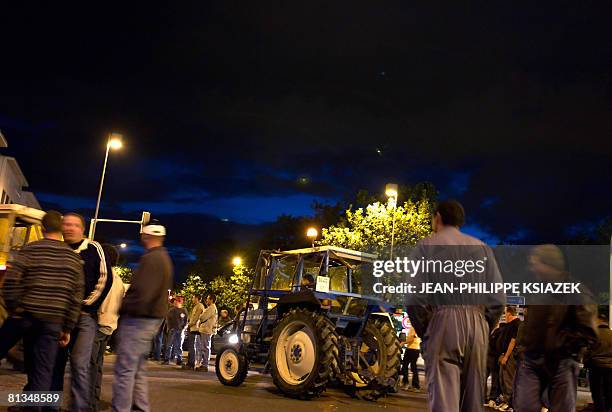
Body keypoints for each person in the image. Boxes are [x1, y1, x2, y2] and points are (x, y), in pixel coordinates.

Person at [406, 200, 505, 412]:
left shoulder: (427, 246)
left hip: (444, 320)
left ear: (438, 217)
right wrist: (484, 325)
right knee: (472, 399)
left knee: (444, 396)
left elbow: (415, 298)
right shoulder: (483, 248)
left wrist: (428, 330)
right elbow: (498, 299)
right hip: (478, 324)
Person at [0, 211, 84, 398]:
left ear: (42, 228)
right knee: (42, 371)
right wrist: (67, 328)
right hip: (53, 322)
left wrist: (15, 308)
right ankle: (34, 408)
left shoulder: (31, 249)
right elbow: (76, 297)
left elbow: (12, 281)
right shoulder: (73, 258)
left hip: (25, 315)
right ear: (61, 229)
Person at [513, 245, 598, 412]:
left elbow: (588, 331)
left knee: (562, 408)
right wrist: (523, 348)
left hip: (562, 360)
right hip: (532, 359)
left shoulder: (577, 291)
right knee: (524, 406)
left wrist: (566, 349)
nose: (531, 268)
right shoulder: (538, 291)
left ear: (548, 264)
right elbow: (529, 324)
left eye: (534, 263)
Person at [52, 212, 113, 412]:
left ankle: (78, 408)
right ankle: (49, 406)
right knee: (55, 365)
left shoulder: (94, 249)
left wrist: (85, 305)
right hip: (59, 318)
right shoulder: (58, 249)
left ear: (83, 229)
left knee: (79, 364)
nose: (69, 228)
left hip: (85, 318)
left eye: (74, 225)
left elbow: (105, 280)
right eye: (66, 224)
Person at [112, 223, 173, 412]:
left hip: (138, 321)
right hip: (149, 321)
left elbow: (143, 295)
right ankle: (140, 407)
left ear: (145, 236)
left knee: (125, 370)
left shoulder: (152, 259)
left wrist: (123, 307)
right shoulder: (164, 258)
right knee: (137, 369)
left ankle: (121, 409)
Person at [89, 244, 125, 412]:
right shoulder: (118, 280)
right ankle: (93, 402)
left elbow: (99, 301)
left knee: (89, 366)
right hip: (110, 326)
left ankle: (87, 404)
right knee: (97, 366)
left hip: (99, 324)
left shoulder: (105, 277)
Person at [583, 312, 612, 412]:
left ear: (599, 321)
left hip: (595, 367)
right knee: (609, 391)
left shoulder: (594, 335)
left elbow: (587, 351)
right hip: (610, 368)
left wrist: (586, 363)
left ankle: (600, 410)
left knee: (597, 392)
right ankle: (609, 408)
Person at [496, 306, 521, 411]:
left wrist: (506, 356)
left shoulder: (516, 324)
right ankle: (506, 401)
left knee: (508, 379)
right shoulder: (509, 324)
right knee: (502, 378)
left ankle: (510, 404)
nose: (504, 316)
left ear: (509, 313)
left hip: (510, 356)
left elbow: (513, 341)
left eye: (505, 313)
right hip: (504, 354)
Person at [163, 298, 187, 365]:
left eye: (178, 301)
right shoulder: (171, 310)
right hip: (173, 330)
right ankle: (167, 359)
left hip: (179, 330)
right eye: (176, 301)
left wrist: (183, 328)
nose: (176, 303)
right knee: (169, 345)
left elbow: (185, 320)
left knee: (178, 345)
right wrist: (170, 328)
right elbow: (168, 319)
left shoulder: (183, 310)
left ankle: (179, 359)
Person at [196, 293, 217, 372]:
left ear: (211, 300)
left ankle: (204, 365)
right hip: (207, 329)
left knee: (205, 347)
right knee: (205, 347)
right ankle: (203, 364)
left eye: (208, 298)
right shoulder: (212, 308)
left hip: (206, 329)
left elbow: (202, 317)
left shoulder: (211, 308)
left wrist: (201, 315)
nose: (206, 300)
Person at [185, 294, 204, 369]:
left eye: (193, 297)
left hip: (194, 329)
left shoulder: (199, 306)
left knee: (192, 346)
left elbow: (195, 318)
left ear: (197, 298)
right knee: (191, 346)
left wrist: (189, 325)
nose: (192, 299)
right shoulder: (196, 306)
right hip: (192, 328)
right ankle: (190, 362)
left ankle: (191, 363)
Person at [400, 324, 421, 391]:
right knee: (413, 367)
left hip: (411, 349)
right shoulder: (419, 327)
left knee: (405, 366)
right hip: (416, 349)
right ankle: (415, 385)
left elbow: (411, 338)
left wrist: (403, 343)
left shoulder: (414, 327)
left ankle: (406, 383)